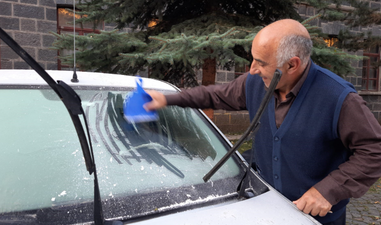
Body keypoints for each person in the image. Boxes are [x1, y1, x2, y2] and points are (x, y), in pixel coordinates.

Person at [144, 19, 381, 225]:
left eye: (261, 62)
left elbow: (374, 150)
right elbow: (214, 95)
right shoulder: (254, 83)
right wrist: (167, 98)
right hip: (268, 206)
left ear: (292, 64)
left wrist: (328, 190)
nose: (252, 69)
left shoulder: (339, 98)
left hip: (317, 219)